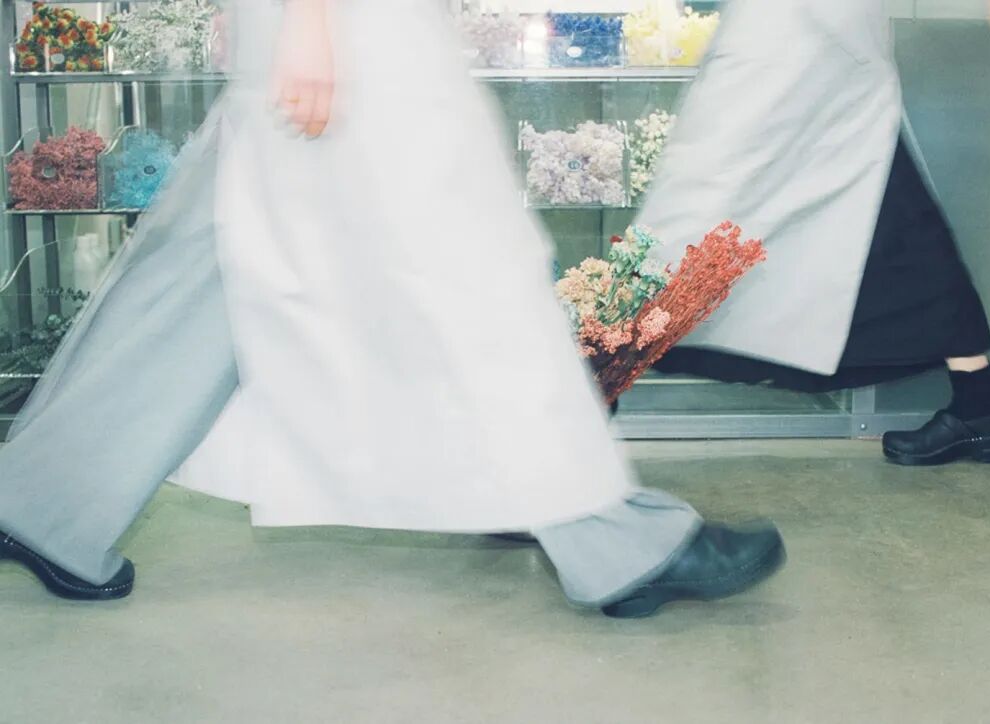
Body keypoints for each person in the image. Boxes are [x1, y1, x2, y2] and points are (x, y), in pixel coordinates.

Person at [0, 0, 784, 618]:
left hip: (335, 27)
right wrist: (309, 20)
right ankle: (613, 538)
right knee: (470, 273)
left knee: (218, 261)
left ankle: (47, 499)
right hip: (354, 30)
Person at [638, 0, 990, 466]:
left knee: (714, 184)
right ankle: (980, 402)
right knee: (876, 192)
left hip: (802, 29)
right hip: (802, 28)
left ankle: (605, 367)